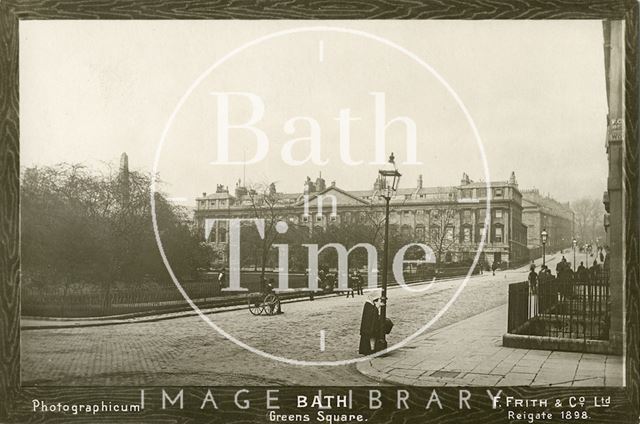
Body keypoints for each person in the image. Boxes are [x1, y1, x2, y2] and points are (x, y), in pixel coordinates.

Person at [359, 289, 381, 355]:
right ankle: (368, 350)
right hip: (368, 325)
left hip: (368, 325)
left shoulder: (369, 304)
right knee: (368, 336)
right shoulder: (368, 304)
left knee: (369, 336)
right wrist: (377, 308)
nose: (376, 301)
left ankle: (369, 349)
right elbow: (372, 313)